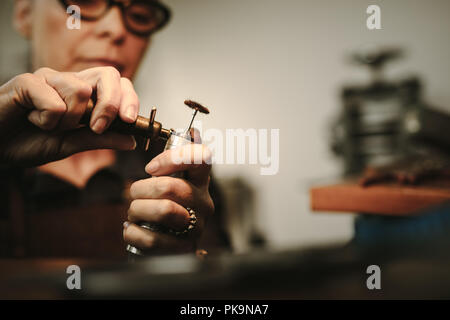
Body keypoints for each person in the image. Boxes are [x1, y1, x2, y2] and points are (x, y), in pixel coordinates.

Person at [0, 0, 228, 259]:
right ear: (24, 14)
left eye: (140, 15)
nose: (116, 29)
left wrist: (188, 254)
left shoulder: (179, 173)